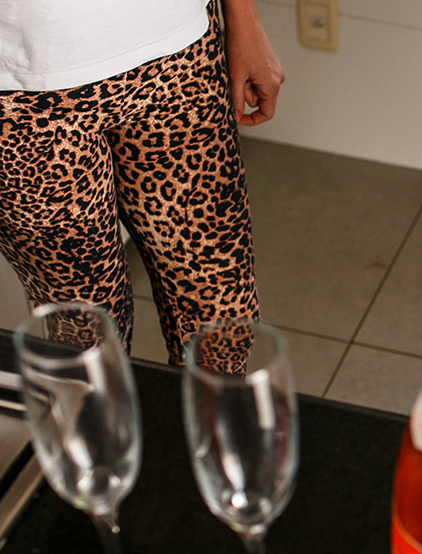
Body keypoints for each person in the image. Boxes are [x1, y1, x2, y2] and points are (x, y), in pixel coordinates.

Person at [0, 0, 283, 367]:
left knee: (222, 320)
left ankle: (213, 423)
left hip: (181, 54)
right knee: (86, 345)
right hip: (20, 93)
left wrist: (245, 22)